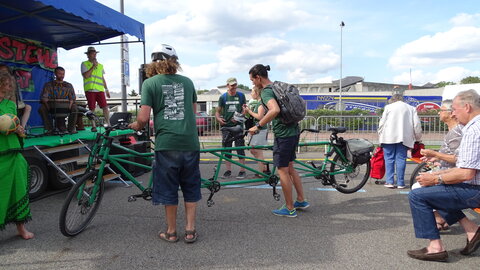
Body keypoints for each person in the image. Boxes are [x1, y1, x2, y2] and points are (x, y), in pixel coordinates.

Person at [128, 44, 201, 244]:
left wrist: (135, 125)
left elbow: (143, 118)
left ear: (153, 63)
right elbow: (192, 112)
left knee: (168, 187)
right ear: (174, 62)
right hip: (189, 141)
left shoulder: (150, 84)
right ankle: (190, 230)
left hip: (166, 143)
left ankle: (171, 232)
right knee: (190, 186)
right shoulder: (187, 82)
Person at [408, 89, 480, 262]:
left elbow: (466, 173)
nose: (453, 113)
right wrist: (440, 174)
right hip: (474, 185)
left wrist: (435, 178)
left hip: (475, 189)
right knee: (441, 188)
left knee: (417, 196)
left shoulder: (473, 130)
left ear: (467, 107)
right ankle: (472, 230)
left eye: (454, 109)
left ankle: (435, 247)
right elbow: (466, 167)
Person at [248, 64, 308, 217]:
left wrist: (258, 126)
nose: (253, 83)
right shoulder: (278, 87)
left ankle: (289, 208)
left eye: (252, 80)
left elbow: (274, 110)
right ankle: (300, 200)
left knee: (282, 170)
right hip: (294, 131)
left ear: (258, 77)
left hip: (283, 134)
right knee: (290, 167)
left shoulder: (267, 92)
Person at [414, 99, 463, 231]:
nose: (438, 113)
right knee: (419, 185)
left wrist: (436, 155)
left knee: (418, 188)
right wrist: (435, 158)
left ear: (451, 113)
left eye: (441, 110)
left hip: (454, 174)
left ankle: (439, 219)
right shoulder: (453, 131)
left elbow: (458, 159)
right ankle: (440, 219)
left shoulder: (457, 132)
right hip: (448, 171)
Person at [0, 71, 34, 240]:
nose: (9, 87)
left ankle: (21, 227)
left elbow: (17, 127)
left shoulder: (10, 104)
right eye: (6, 84)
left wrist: (19, 130)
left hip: (14, 151)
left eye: (10, 85)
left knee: (19, 189)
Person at [378, 94, 422, 188]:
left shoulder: (388, 107)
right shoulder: (411, 108)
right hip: (404, 137)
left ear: (392, 100)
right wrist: (418, 138)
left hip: (388, 137)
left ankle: (389, 181)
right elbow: (416, 125)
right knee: (401, 159)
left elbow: (382, 123)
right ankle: (400, 183)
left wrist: (380, 134)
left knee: (389, 159)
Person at [215, 77, 247, 179]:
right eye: (232, 85)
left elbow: (245, 110)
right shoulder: (223, 97)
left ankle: (242, 170)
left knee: (240, 148)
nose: (234, 87)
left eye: (235, 85)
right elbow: (217, 111)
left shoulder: (241, 96)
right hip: (226, 127)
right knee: (226, 149)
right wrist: (219, 119)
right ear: (227, 85)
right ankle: (228, 170)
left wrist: (238, 118)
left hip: (238, 126)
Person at [39, 67, 78, 134]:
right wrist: (47, 106)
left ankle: (71, 128)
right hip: (52, 106)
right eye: (59, 74)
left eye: (63, 74)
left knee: (75, 108)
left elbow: (72, 98)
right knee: (42, 108)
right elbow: (44, 98)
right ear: (55, 74)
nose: (62, 76)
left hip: (66, 106)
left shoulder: (68, 85)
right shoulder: (48, 85)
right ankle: (49, 128)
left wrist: (70, 105)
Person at [81, 46, 110, 132]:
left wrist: (106, 89)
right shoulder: (84, 64)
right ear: (88, 55)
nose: (94, 55)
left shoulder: (100, 65)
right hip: (90, 90)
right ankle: (93, 126)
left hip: (100, 89)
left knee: (105, 106)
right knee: (91, 108)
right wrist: (93, 66)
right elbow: (86, 75)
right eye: (92, 53)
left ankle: (108, 123)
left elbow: (102, 78)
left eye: (95, 53)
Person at [243, 85, 268, 175]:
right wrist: (247, 112)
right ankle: (264, 168)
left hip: (260, 130)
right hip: (256, 129)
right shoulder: (258, 103)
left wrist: (249, 111)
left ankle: (261, 172)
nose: (251, 93)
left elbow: (260, 117)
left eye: (252, 92)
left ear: (257, 93)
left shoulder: (261, 104)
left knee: (257, 151)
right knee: (253, 150)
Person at [0, 64, 31, 129]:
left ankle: (22, 127)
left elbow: (15, 97)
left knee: (28, 107)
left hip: (11, 103)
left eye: (5, 71)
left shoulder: (12, 81)